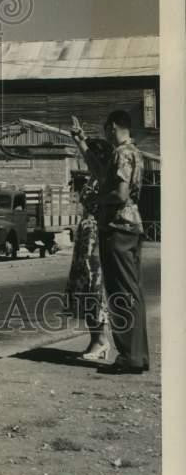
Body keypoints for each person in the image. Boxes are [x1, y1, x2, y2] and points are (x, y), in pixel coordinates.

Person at [72, 110, 149, 375]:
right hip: (133, 226)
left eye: (106, 129)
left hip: (117, 227)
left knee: (120, 294)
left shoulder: (121, 153)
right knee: (133, 292)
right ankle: (138, 354)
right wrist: (81, 141)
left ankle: (128, 356)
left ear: (113, 127)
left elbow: (118, 192)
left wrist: (98, 200)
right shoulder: (136, 153)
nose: (105, 133)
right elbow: (103, 174)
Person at [64, 120, 111, 361]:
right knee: (85, 286)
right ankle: (96, 339)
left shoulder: (105, 178)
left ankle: (101, 340)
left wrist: (80, 140)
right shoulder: (94, 178)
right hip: (86, 235)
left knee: (95, 285)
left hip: (95, 235)